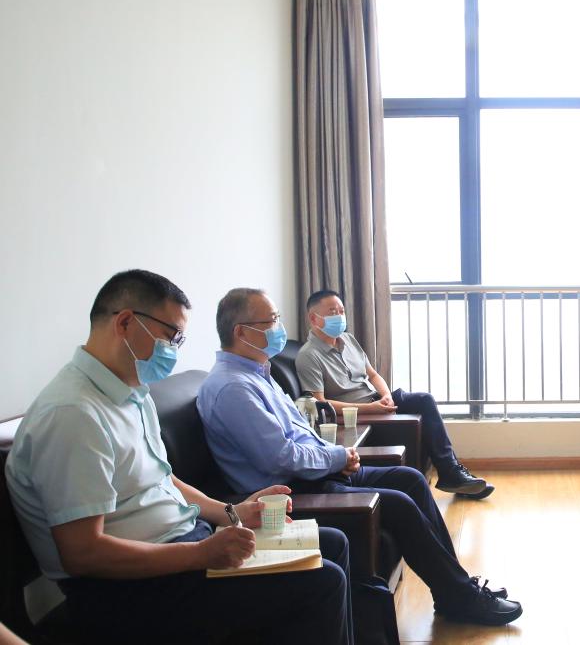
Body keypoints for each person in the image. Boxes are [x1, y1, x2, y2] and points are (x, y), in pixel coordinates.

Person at [4, 271, 352, 644]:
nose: (174, 349)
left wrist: (232, 513)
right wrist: (200, 554)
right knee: (323, 582)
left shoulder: (130, 394)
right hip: (124, 592)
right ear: (125, 322)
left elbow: (163, 479)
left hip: (181, 548)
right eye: (171, 336)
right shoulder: (73, 414)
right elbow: (83, 554)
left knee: (330, 543)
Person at [197, 288, 523, 626]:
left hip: (314, 473)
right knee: (398, 503)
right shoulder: (234, 388)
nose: (279, 327)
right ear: (241, 332)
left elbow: (300, 432)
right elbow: (281, 457)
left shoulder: (258, 374)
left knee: (410, 479)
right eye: (271, 321)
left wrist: (336, 456)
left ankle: (456, 589)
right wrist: (337, 458)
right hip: (291, 492)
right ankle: (460, 597)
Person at [296, 289, 493, 499]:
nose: (339, 316)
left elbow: (372, 375)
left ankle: (451, 471)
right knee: (421, 405)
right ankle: (452, 475)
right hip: (357, 413)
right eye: (332, 311)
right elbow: (319, 403)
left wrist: (386, 396)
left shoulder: (348, 340)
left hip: (376, 400)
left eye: (341, 311)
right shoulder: (308, 355)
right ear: (314, 318)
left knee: (424, 400)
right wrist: (370, 408)